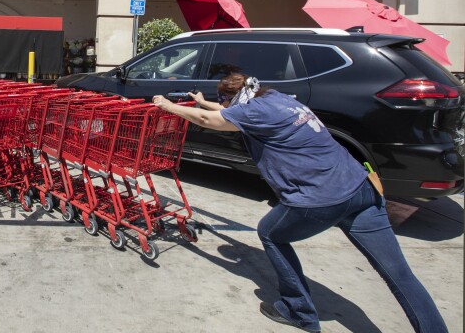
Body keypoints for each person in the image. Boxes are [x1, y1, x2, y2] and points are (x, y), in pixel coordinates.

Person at [152, 74, 448, 333]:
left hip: (320, 198)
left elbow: (211, 121)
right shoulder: (277, 99)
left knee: (271, 233)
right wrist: (203, 102)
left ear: (235, 100)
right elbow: (231, 113)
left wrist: (168, 106)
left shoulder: (253, 110)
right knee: (399, 273)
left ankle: (299, 311)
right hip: (360, 188)